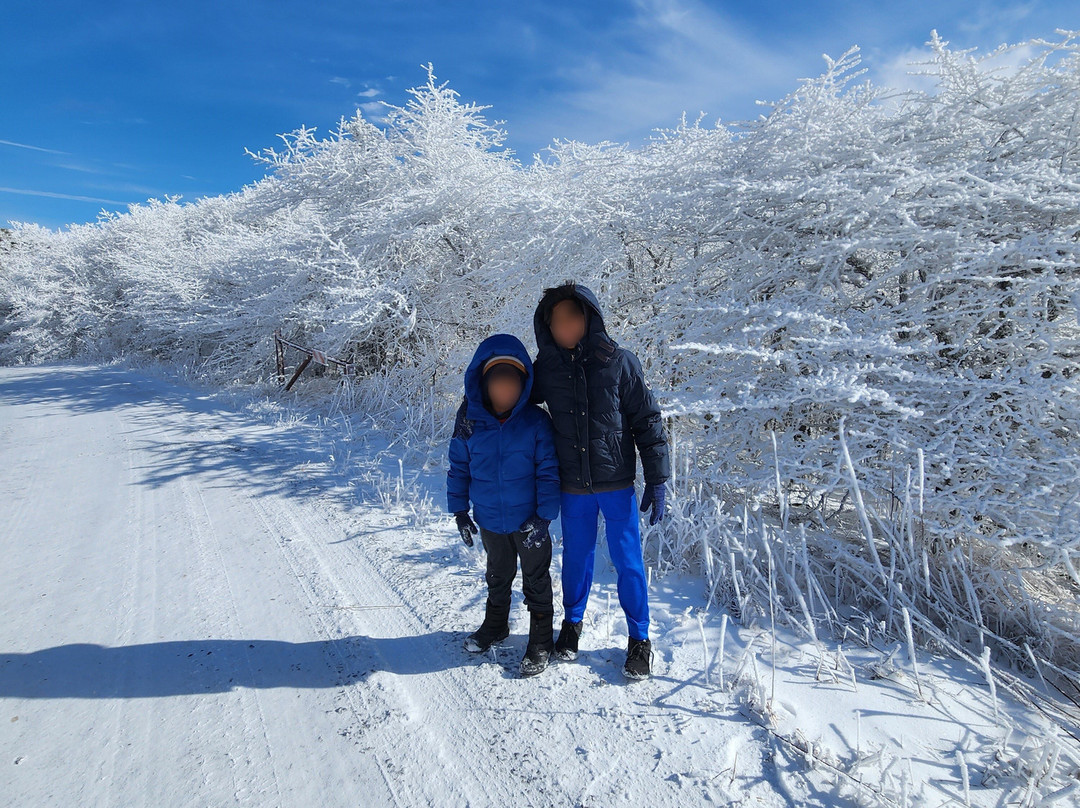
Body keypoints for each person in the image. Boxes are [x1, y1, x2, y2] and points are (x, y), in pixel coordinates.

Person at [531, 282, 670, 680]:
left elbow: (647, 419)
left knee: (628, 562)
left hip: (616, 484)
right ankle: (572, 625)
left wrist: (657, 477)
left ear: (589, 317)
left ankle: (639, 639)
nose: (565, 326)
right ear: (547, 327)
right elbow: (512, 398)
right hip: (573, 487)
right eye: (556, 321)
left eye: (572, 316)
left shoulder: (620, 362)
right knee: (576, 559)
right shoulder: (546, 369)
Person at [446, 333, 562, 677]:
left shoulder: (536, 422)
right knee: (497, 575)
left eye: (513, 381)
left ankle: (541, 640)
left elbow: (549, 472)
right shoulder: (468, 420)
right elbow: (458, 466)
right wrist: (459, 511)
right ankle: (496, 625)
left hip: (530, 522)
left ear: (524, 385)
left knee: (536, 581)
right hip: (490, 519)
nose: (505, 389)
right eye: (498, 381)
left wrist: (544, 518)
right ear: (484, 383)